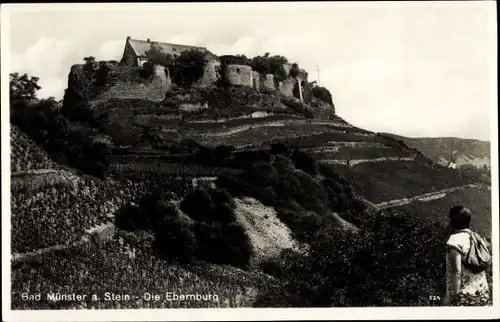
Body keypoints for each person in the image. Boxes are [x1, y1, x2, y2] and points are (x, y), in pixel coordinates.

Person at [442, 206, 491, 306]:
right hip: (481, 291)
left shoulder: (454, 240)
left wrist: (452, 297)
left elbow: (456, 271)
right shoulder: (476, 237)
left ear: (452, 221)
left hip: (465, 296)